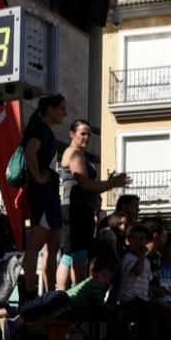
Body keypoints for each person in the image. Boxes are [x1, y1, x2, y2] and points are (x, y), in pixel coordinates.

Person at [56, 119, 130, 290]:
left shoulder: (78, 154)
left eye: (89, 134)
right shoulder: (74, 153)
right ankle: (69, 293)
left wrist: (108, 184)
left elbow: (89, 188)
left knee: (72, 252)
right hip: (77, 209)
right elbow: (85, 184)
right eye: (83, 133)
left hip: (80, 207)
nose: (87, 137)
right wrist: (111, 183)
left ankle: (69, 292)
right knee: (75, 253)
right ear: (72, 134)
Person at [0, 255, 115, 340]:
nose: (107, 280)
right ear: (94, 274)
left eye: (109, 277)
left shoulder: (89, 283)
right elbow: (100, 305)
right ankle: (14, 323)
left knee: (33, 306)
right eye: (104, 275)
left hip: (58, 295)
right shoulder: (95, 286)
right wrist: (112, 308)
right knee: (38, 309)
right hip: (64, 300)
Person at [21, 95, 68, 299]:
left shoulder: (45, 130)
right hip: (42, 193)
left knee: (54, 242)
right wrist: (38, 177)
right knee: (36, 244)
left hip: (50, 194)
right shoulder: (39, 128)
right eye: (62, 109)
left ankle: (50, 294)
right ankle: (30, 292)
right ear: (50, 108)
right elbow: (30, 152)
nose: (65, 113)